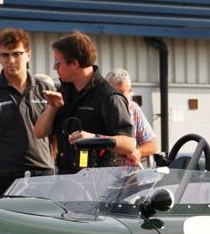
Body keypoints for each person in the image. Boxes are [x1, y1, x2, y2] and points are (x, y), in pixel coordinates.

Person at [0, 28, 56, 195]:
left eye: (17, 54)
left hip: (45, 177)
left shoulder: (47, 90)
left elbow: (55, 138)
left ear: (28, 54)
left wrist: (49, 163)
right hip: (7, 180)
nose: (11, 60)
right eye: (5, 55)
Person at [33, 31, 135, 174]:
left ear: (74, 63)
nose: (54, 68)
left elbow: (129, 144)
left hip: (99, 185)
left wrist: (95, 139)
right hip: (67, 182)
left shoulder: (108, 97)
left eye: (57, 63)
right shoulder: (63, 92)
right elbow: (39, 133)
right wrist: (52, 107)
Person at [106, 68, 158, 167]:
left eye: (121, 93)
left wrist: (138, 152)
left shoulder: (133, 109)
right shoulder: (98, 109)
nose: (117, 99)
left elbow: (152, 145)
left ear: (129, 91)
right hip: (102, 173)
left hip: (129, 177)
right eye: (113, 93)